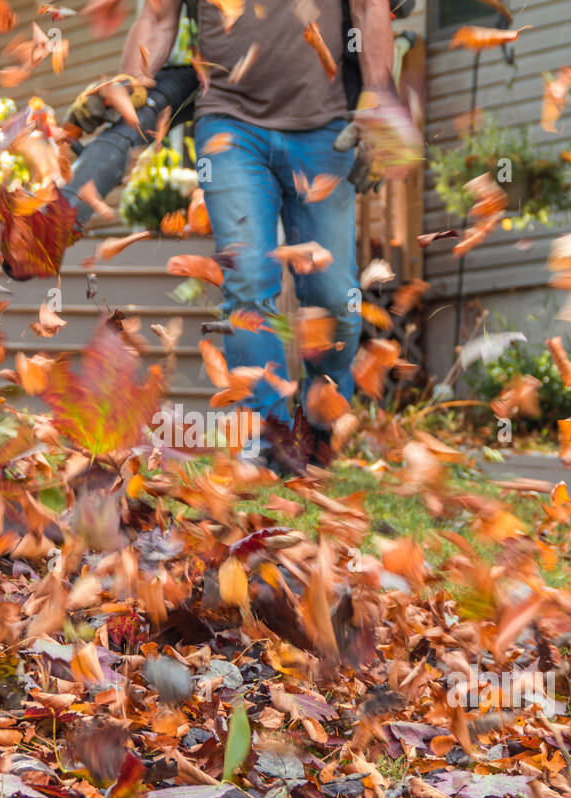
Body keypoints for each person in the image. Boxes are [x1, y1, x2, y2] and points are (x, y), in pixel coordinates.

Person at [69, 0, 403, 467]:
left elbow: (371, 9)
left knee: (333, 297)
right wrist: (132, 89)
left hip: (324, 129)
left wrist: (377, 102)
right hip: (229, 126)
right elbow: (158, 16)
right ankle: (268, 438)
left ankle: (322, 421)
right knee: (248, 277)